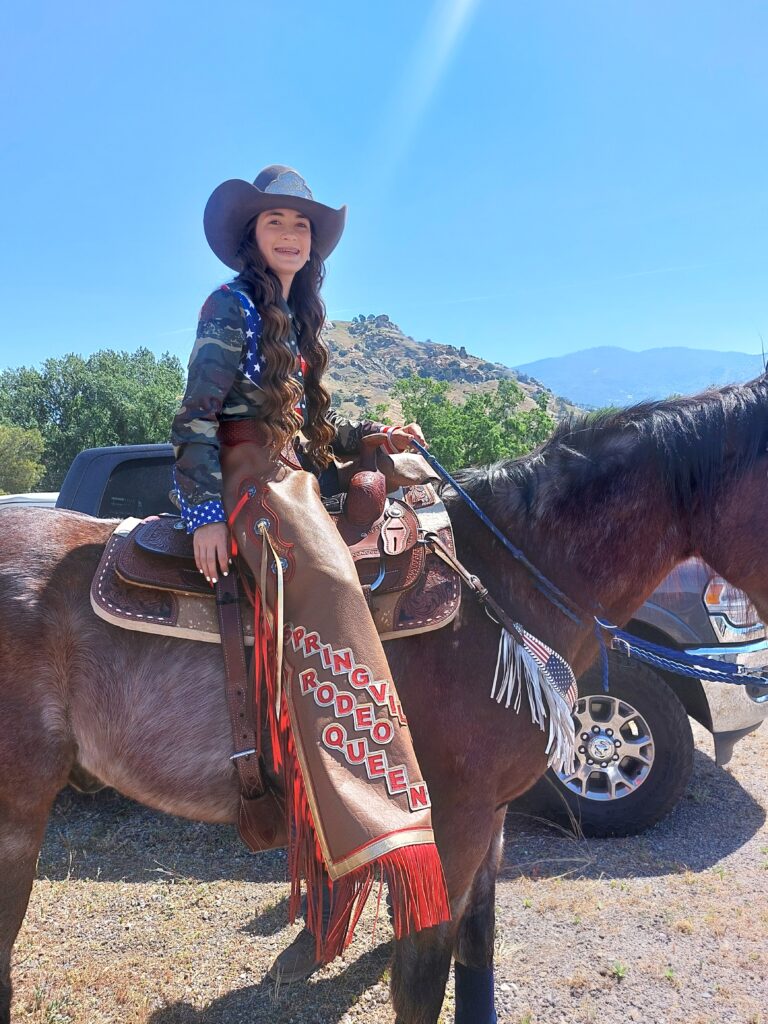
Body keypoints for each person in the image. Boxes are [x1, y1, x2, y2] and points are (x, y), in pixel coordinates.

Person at [171, 166, 449, 981]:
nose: (289, 235)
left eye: (301, 225)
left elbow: (314, 436)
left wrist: (374, 436)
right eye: (275, 224)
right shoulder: (230, 306)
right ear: (252, 237)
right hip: (245, 480)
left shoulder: (294, 316)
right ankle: (355, 796)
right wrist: (203, 517)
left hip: (287, 471)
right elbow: (194, 416)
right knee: (325, 583)